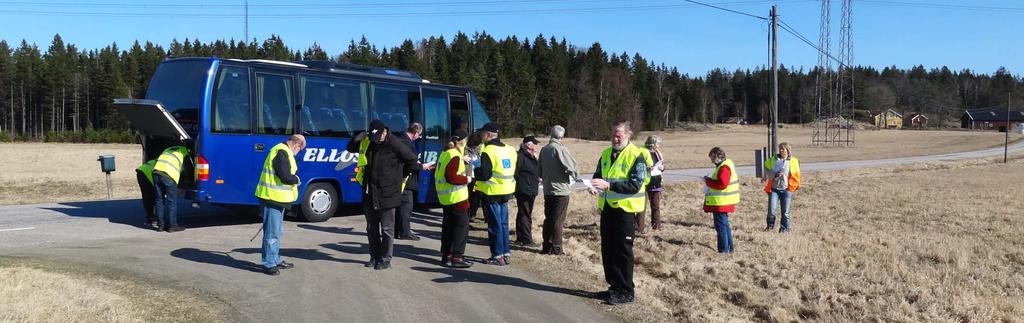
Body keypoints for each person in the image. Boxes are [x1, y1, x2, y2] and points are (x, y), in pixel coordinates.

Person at [346, 120, 421, 270]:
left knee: (387, 229)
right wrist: (358, 137)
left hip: (388, 193)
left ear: (385, 132)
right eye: (374, 137)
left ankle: (386, 259)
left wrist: (398, 177)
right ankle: (374, 256)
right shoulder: (369, 141)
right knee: (371, 227)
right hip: (370, 191)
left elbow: (413, 161)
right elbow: (351, 148)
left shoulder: (395, 143)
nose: (377, 140)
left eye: (379, 136)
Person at [588, 121, 648, 305]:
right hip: (607, 208)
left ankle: (626, 291)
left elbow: (635, 184)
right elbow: (598, 176)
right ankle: (614, 287)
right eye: (613, 134)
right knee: (608, 249)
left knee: (623, 251)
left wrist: (609, 185)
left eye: (619, 135)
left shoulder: (637, 155)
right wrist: (594, 187)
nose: (615, 138)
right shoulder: (606, 153)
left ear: (628, 135)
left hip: (625, 210)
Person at [255, 134, 306, 276]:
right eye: (300, 149)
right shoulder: (282, 152)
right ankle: (269, 263)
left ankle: (275, 259)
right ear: (297, 145)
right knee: (272, 233)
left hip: (276, 198)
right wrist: (296, 179)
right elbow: (285, 176)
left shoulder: (281, 150)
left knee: (276, 232)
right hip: (272, 198)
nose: (298, 153)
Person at [474, 122, 517, 266]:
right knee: (504, 224)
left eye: (482, 134)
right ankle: (505, 254)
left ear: (487, 135)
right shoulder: (510, 149)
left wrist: (475, 170)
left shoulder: (489, 151)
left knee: (494, 225)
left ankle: (497, 255)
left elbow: (485, 175)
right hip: (507, 190)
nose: (481, 136)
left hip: (492, 192)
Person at [435, 129, 474, 269]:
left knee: (448, 227)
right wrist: (467, 179)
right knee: (461, 227)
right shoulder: (455, 156)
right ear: (461, 142)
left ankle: (446, 255)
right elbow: (451, 177)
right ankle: (457, 256)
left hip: (446, 197)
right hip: (457, 197)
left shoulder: (445, 153)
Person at [538, 125, 578, 255]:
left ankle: (546, 245)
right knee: (558, 220)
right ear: (562, 137)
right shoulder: (560, 149)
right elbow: (572, 167)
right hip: (560, 190)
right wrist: (574, 175)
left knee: (548, 218)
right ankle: (556, 248)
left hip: (548, 189)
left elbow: (539, 170)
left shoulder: (544, 149)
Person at [396, 122, 429, 241]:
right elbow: (410, 164)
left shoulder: (400, 139)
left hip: (402, 179)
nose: (419, 137)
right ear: (415, 133)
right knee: (406, 207)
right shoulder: (407, 143)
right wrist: (422, 167)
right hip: (406, 180)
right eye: (419, 135)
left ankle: (398, 231)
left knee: (401, 207)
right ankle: (405, 232)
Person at [703, 147, 740, 254]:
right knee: (725, 226)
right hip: (723, 201)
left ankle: (723, 250)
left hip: (721, 202)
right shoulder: (724, 165)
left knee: (721, 227)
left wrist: (708, 181)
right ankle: (730, 249)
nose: (711, 161)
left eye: (712, 158)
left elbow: (722, 184)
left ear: (717, 157)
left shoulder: (724, 168)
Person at [762, 142, 801, 233]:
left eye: (783, 149)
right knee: (771, 211)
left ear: (788, 150)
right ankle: (769, 227)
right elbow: (767, 170)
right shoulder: (774, 160)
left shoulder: (793, 161)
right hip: (774, 189)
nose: (781, 150)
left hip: (786, 190)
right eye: (780, 149)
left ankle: (784, 229)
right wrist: (773, 174)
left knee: (785, 212)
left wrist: (793, 187)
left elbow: (797, 176)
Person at [152, 145, 190, 233]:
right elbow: (189, 166)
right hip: (169, 174)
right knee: (171, 201)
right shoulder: (184, 150)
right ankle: (172, 226)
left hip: (156, 173)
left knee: (159, 200)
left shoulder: (167, 149)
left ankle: (161, 226)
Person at [513, 135, 541, 247]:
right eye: (535, 143)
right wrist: (522, 185)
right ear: (529, 145)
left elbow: (533, 171)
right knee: (525, 214)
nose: (537, 145)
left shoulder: (532, 157)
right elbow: (516, 173)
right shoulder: (520, 156)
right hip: (524, 190)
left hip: (530, 189)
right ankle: (526, 240)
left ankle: (520, 238)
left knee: (523, 213)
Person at [641, 135, 665, 233]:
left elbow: (661, 165)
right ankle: (639, 228)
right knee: (641, 207)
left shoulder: (657, 153)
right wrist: (647, 168)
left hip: (656, 182)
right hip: (644, 183)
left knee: (655, 206)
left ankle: (656, 226)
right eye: (657, 143)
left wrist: (662, 168)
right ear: (653, 144)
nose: (659, 146)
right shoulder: (641, 152)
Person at [465, 131, 484, 222]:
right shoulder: (465, 149)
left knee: (476, 196)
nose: (478, 146)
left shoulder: (479, 150)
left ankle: (473, 213)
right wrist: (463, 158)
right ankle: (467, 213)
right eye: (476, 144)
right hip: (468, 176)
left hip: (477, 176)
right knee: (468, 195)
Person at [135, 158, 158, 229]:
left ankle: (150, 218)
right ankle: (155, 218)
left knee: (146, 197)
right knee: (155, 197)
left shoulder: (157, 160)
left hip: (140, 171)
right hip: (147, 174)